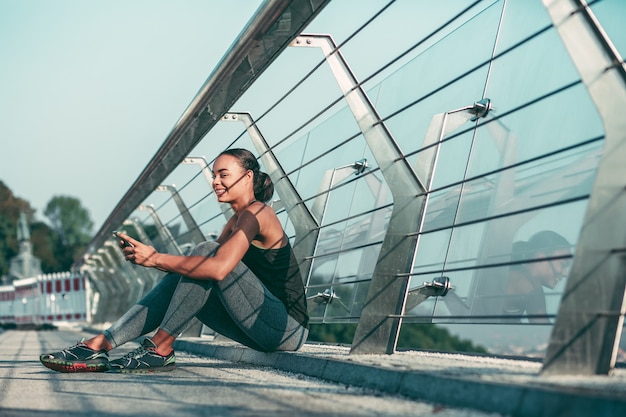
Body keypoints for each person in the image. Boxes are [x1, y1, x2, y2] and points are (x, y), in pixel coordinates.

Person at [40, 148, 309, 373]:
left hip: (286, 329)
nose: (215, 181)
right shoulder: (234, 221)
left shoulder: (259, 212)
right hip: (257, 326)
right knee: (190, 270)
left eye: (223, 174)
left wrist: (155, 257)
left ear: (248, 176)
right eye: (213, 175)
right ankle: (101, 344)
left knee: (204, 253)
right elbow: (198, 270)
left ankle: (160, 347)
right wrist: (151, 260)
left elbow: (218, 268)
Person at [501, 230, 571, 323]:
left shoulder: (515, 275)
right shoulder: (530, 286)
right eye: (562, 264)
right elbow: (543, 331)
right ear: (541, 256)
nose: (565, 273)